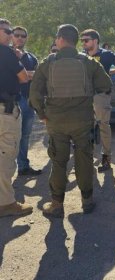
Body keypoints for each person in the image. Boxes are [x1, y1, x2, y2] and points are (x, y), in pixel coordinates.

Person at [29, 24, 112, 218]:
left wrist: (42, 114)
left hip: (56, 122)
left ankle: (57, 204)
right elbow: (106, 85)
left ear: (59, 39)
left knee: (58, 161)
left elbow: (34, 94)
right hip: (82, 120)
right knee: (84, 159)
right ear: (75, 41)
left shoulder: (47, 63)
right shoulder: (89, 62)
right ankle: (87, 200)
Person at [80, 29, 115, 172]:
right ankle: (87, 158)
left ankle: (106, 158)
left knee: (103, 126)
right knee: (86, 127)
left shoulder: (106, 54)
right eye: (82, 40)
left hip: (101, 96)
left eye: (86, 40)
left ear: (95, 41)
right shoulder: (82, 56)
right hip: (85, 97)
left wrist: (111, 72)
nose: (83, 43)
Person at [0, 18, 33, 217]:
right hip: (5, 111)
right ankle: (6, 203)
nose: (11, 34)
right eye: (7, 30)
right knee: (6, 156)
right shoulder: (6, 52)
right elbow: (22, 77)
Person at [11, 26, 42, 176]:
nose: (19, 38)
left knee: (25, 135)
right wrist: (27, 75)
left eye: (23, 36)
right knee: (9, 135)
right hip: (11, 100)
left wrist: (24, 75)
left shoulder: (31, 57)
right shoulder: (6, 53)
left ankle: (23, 166)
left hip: (29, 100)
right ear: (11, 36)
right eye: (16, 35)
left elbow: (40, 75)